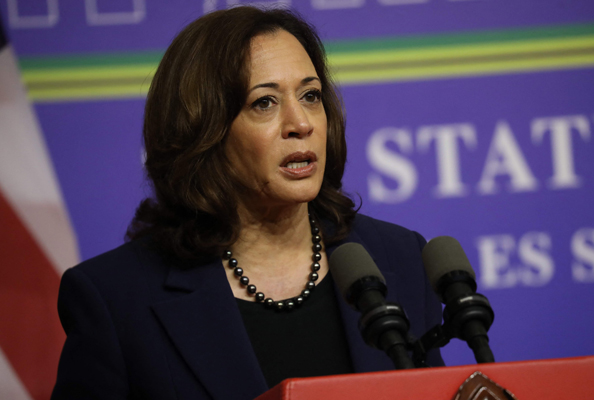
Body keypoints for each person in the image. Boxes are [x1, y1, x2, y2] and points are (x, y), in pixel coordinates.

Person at [52, 6, 444, 400]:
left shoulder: (402, 260)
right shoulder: (116, 301)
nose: (300, 123)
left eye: (310, 96)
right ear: (204, 130)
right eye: (264, 103)